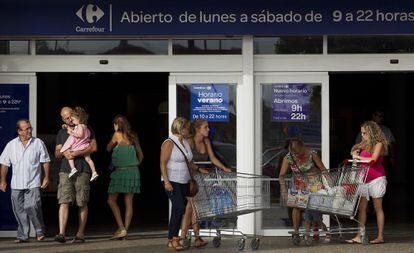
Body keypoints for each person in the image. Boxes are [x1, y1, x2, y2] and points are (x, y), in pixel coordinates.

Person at [180, 119, 232, 247]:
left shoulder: (206, 141)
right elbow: (187, 161)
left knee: (195, 208)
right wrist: (198, 169)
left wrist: (224, 168)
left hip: (202, 179)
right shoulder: (190, 142)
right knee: (191, 208)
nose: (208, 129)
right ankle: (183, 237)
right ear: (198, 129)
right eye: (206, 127)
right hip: (190, 178)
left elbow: (213, 158)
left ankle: (196, 238)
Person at [0, 119, 50, 243]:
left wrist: (46, 177)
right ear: (19, 131)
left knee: (32, 206)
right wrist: (2, 180)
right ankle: (23, 235)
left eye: (30, 128)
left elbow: (45, 161)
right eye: (26, 129)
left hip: (32, 183)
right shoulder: (11, 145)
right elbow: (5, 164)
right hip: (16, 184)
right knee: (19, 211)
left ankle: (39, 231)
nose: (29, 130)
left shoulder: (38, 143)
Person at [54, 106, 97, 243]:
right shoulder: (61, 132)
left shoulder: (85, 128)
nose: (68, 120)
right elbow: (56, 153)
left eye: (70, 116)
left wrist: (77, 153)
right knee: (63, 200)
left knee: (82, 201)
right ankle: (61, 234)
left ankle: (80, 234)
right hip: (65, 170)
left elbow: (94, 147)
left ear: (73, 114)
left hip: (83, 169)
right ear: (62, 118)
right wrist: (63, 152)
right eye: (65, 118)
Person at [346, 120, 389, 244]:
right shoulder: (364, 143)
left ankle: (380, 236)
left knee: (378, 208)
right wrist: (355, 149)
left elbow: (373, 159)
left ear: (371, 132)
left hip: (376, 179)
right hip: (363, 179)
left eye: (364, 133)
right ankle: (359, 235)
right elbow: (353, 151)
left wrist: (358, 156)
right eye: (361, 133)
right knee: (362, 209)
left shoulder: (379, 143)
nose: (362, 135)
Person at [279, 138, 328, 242]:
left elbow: (323, 169)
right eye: (293, 153)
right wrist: (283, 190)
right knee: (296, 208)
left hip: (314, 184)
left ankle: (317, 230)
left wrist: (329, 184)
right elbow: (281, 175)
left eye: (297, 152)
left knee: (314, 210)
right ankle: (296, 233)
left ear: (302, 148)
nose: (295, 155)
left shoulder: (312, 154)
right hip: (298, 185)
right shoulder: (288, 158)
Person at [160, 117, 199, 251]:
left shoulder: (186, 142)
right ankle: (174, 238)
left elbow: (189, 162)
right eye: (187, 127)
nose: (189, 130)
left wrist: (199, 169)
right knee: (179, 207)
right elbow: (162, 163)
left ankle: (171, 239)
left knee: (179, 208)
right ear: (180, 128)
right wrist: (166, 181)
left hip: (184, 180)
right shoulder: (169, 142)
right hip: (172, 180)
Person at [106, 115, 144, 239]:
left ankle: (121, 228)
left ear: (117, 125)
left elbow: (108, 148)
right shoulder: (133, 136)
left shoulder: (116, 135)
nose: (114, 126)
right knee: (129, 203)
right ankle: (125, 230)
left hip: (120, 172)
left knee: (111, 200)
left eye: (114, 124)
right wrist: (133, 165)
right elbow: (141, 156)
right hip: (133, 172)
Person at [60, 106, 99, 182]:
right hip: (85, 145)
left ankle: (73, 168)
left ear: (79, 119)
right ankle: (94, 172)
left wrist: (71, 132)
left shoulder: (80, 126)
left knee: (70, 153)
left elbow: (80, 135)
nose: (71, 120)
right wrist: (66, 127)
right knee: (88, 159)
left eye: (73, 119)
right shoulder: (85, 127)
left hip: (80, 146)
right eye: (68, 118)